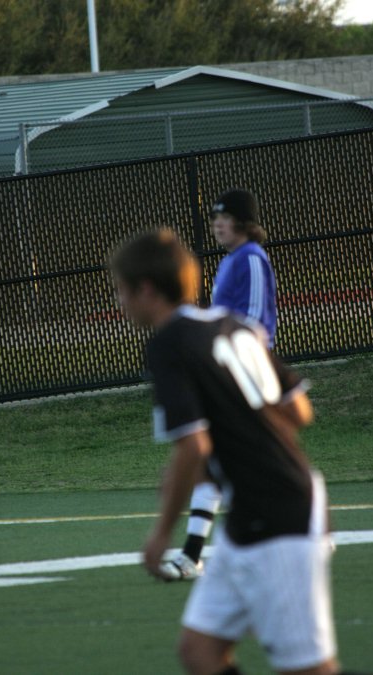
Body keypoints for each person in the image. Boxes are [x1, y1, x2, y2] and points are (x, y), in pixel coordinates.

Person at [111, 230, 368, 675]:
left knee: (309, 668)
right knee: (199, 651)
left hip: (277, 515)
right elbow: (299, 410)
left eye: (120, 291)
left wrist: (159, 536)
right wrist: (244, 438)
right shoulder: (233, 325)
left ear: (146, 289)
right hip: (255, 514)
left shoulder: (168, 343)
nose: (119, 303)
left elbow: (192, 446)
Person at [161, 188, 277, 581]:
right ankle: (192, 555)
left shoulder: (252, 259)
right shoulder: (231, 261)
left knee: (234, 462)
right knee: (223, 463)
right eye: (214, 219)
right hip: (226, 373)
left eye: (223, 217)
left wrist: (241, 367)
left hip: (246, 375)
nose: (217, 225)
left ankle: (193, 554)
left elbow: (258, 321)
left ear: (243, 221)